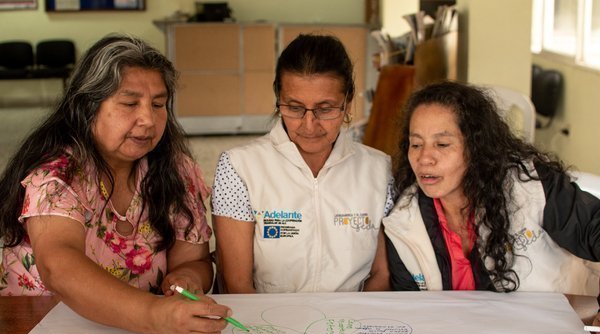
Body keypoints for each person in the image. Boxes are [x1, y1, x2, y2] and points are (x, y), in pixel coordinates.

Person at [0, 34, 232, 334]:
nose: (148, 119)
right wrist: (154, 314)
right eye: (129, 103)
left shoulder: (176, 171)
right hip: (49, 333)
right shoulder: (58, 174)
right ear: (89, 106)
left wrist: (187, 278)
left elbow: (196, 261)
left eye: (159, 104)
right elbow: (59, 266)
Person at [211, 34, 394, 293]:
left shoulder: (379, 170)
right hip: (269, 323)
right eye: (295, 108)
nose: (309, 125)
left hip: (351, 324)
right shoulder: (239, 167)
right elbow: (237, 284)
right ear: (278, 97)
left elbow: (381, 275)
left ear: (348, 101)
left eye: (326, 109)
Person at [382, 80, 600, 296]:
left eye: (442, 144)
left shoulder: (531, 185)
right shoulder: (402, 224)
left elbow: (593, 227)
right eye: (416, 144)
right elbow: (409, 308)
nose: (424, 158)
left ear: (476, 147)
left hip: (556, 324)